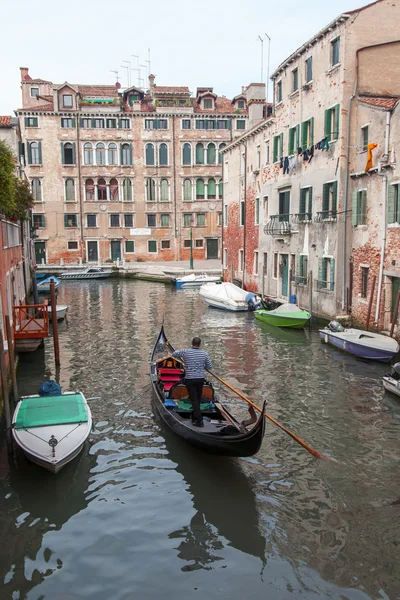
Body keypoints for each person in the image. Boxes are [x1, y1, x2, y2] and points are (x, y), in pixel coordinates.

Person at [172, 337, 212, 427]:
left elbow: (174, 354)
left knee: (194, 399)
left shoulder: (186, 351)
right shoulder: (204, 354)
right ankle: (194, 416)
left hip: (190, 379)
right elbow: (209, 366)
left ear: (192, 343)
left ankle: (199, 420)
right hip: (200, 379)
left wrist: (184, 359)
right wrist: (202, 365)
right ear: (199, 344)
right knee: (197, 398)